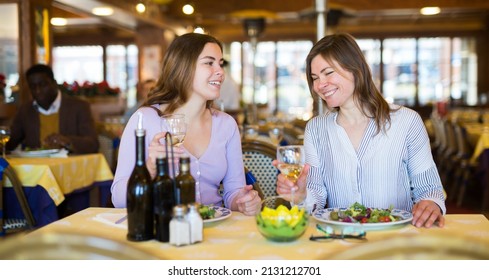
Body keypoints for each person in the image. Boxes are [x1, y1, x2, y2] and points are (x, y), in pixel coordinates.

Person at [275, 33, 446, 228]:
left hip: (396, 239)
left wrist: (431, 203)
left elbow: (429, 188)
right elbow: (316, 196)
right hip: (341, 239)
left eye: (328, 73)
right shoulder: (316, 129)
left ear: (355, 69)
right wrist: (301, 195)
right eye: (315, 78)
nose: (320, 85)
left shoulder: (407, 122)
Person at [111, 33, 261, 215]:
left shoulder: (226, 125)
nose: (221, 72)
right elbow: (118, 199)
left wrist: (242, 202)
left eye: (220, 63)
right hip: (163, 231)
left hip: (215, 230)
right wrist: (148, 169)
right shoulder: (145, 120)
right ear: (183, 67)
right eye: (209, 63)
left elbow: (233, 192)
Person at [6, 64, 99, 154]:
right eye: (33, 87)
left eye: (42, 85)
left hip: (69, 167)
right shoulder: (25, 110)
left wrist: (67, 141)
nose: (37, 91)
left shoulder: (79, 107)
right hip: (37, 168)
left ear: (54, 83)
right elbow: (9, 143)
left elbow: (93, 144)